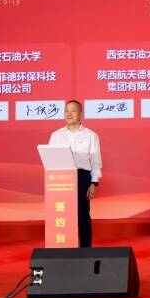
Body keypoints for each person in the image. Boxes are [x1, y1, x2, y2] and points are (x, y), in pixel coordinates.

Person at [48, 100, 101, 247]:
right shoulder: (56, 135)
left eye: (73, 111)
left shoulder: (91, 135)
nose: (69, 114)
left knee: (82, 215)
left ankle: (85, 250)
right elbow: (50, 158)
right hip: (60, 179)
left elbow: (96, 161)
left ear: (80, 114)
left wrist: (94, 182)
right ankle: (63, 248)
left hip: (82, 177)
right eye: (67, 111)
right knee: (62, 214)